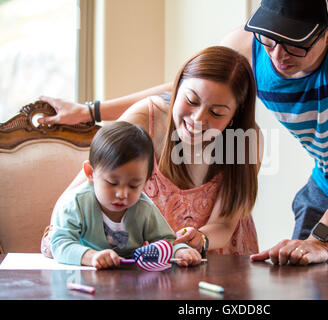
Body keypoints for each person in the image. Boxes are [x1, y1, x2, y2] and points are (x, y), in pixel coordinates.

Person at [40, 0, 328, 266]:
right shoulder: (247, 46)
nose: (278, 55)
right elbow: (188, 85)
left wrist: (322, 238)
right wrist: (91, 110)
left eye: (295, 45)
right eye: (269, 40)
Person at [41, 46, 261, 259]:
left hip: (220, 260)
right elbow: (78, 193)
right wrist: (65, 240)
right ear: (175, 89)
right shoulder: (146, 118)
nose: (197, 119)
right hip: (153, 264)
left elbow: (224, 224)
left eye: (216, 112)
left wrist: (200, 239)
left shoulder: (245, 142)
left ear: (233, 116)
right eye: (191, 100)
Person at [50, 121, 200, 269]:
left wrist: (180, 250)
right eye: (112, 183)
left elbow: (166, 240)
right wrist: (91, 256)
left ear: (146, 181)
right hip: (84, 275)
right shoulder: (76, 203)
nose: (122, 194)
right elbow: (60, 243)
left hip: (130, 280)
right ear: (90, 173)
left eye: (133, 186)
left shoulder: (144, 207)